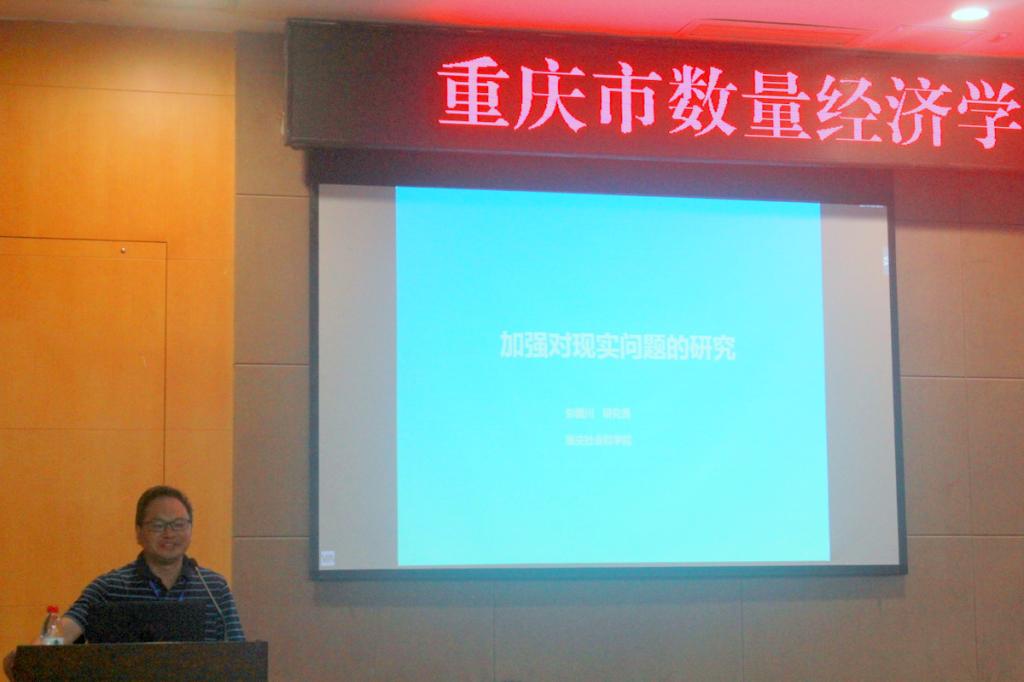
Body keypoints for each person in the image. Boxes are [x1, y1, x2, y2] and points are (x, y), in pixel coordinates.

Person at [3, 486, 244, 680]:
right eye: (158, 525)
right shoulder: (110, 586)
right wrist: (31, 656)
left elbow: (239, 654)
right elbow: (65, 629)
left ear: (190, 529)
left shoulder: (214, 588)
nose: (169, 534)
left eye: (178, 524)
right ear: (138, 532)